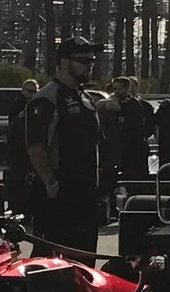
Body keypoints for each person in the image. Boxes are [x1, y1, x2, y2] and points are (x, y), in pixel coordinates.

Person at [13, 37, 104, 249]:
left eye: (91, 60)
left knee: (85, 262)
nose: (89, 64)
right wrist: (51, 183)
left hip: (86, 195)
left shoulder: (85, 98)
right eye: (83, 60)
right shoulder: (47, 99)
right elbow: (35, 147)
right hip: (59, 197)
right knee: (50, 263)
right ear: (63, 62)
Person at [112, 76, 155, 194]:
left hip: (136, 149)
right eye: (113, 88)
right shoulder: (124, 102)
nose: (115, 92)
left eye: (118, 88)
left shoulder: (133, 104)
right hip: (125, 150)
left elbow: (149, 127)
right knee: (127, 182)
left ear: (127, 89)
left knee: (138, 182)